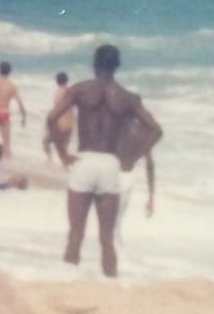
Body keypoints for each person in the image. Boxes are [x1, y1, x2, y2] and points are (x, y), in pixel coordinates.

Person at [48, 44, 163, 278]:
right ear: (117, 66)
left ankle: (66, 283)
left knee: (75, 235)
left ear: (94, 64)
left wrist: (62, 153)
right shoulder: (127, 98)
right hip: (110, 164)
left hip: (83, 161)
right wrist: (132, 158)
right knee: (107, 239)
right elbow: (155, 130)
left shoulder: (80, 90)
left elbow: (52, 118)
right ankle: (112, 286)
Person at [43, 71, 74, 165]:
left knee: (45, 142)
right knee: (65, 149)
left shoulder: (58, 91)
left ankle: (50, 161)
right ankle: (66, 169)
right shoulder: (71, 91)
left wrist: (49, 123)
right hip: (70, 124)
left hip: (60, 123)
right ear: (67, 80)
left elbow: (57, 108)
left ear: (57, 81)